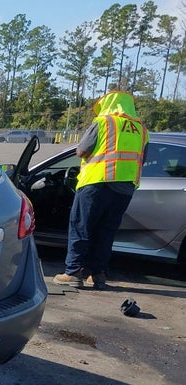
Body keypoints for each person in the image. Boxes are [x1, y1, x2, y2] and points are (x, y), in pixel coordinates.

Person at [53, 91, 148, 289]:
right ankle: (97, 274)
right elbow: (142, 159)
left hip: (97, 183)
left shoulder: (104, 122)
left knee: (81, 226)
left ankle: (73, 272)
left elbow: (81, 151)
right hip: (125, 189)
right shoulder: (141, 129)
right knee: (106, 231)